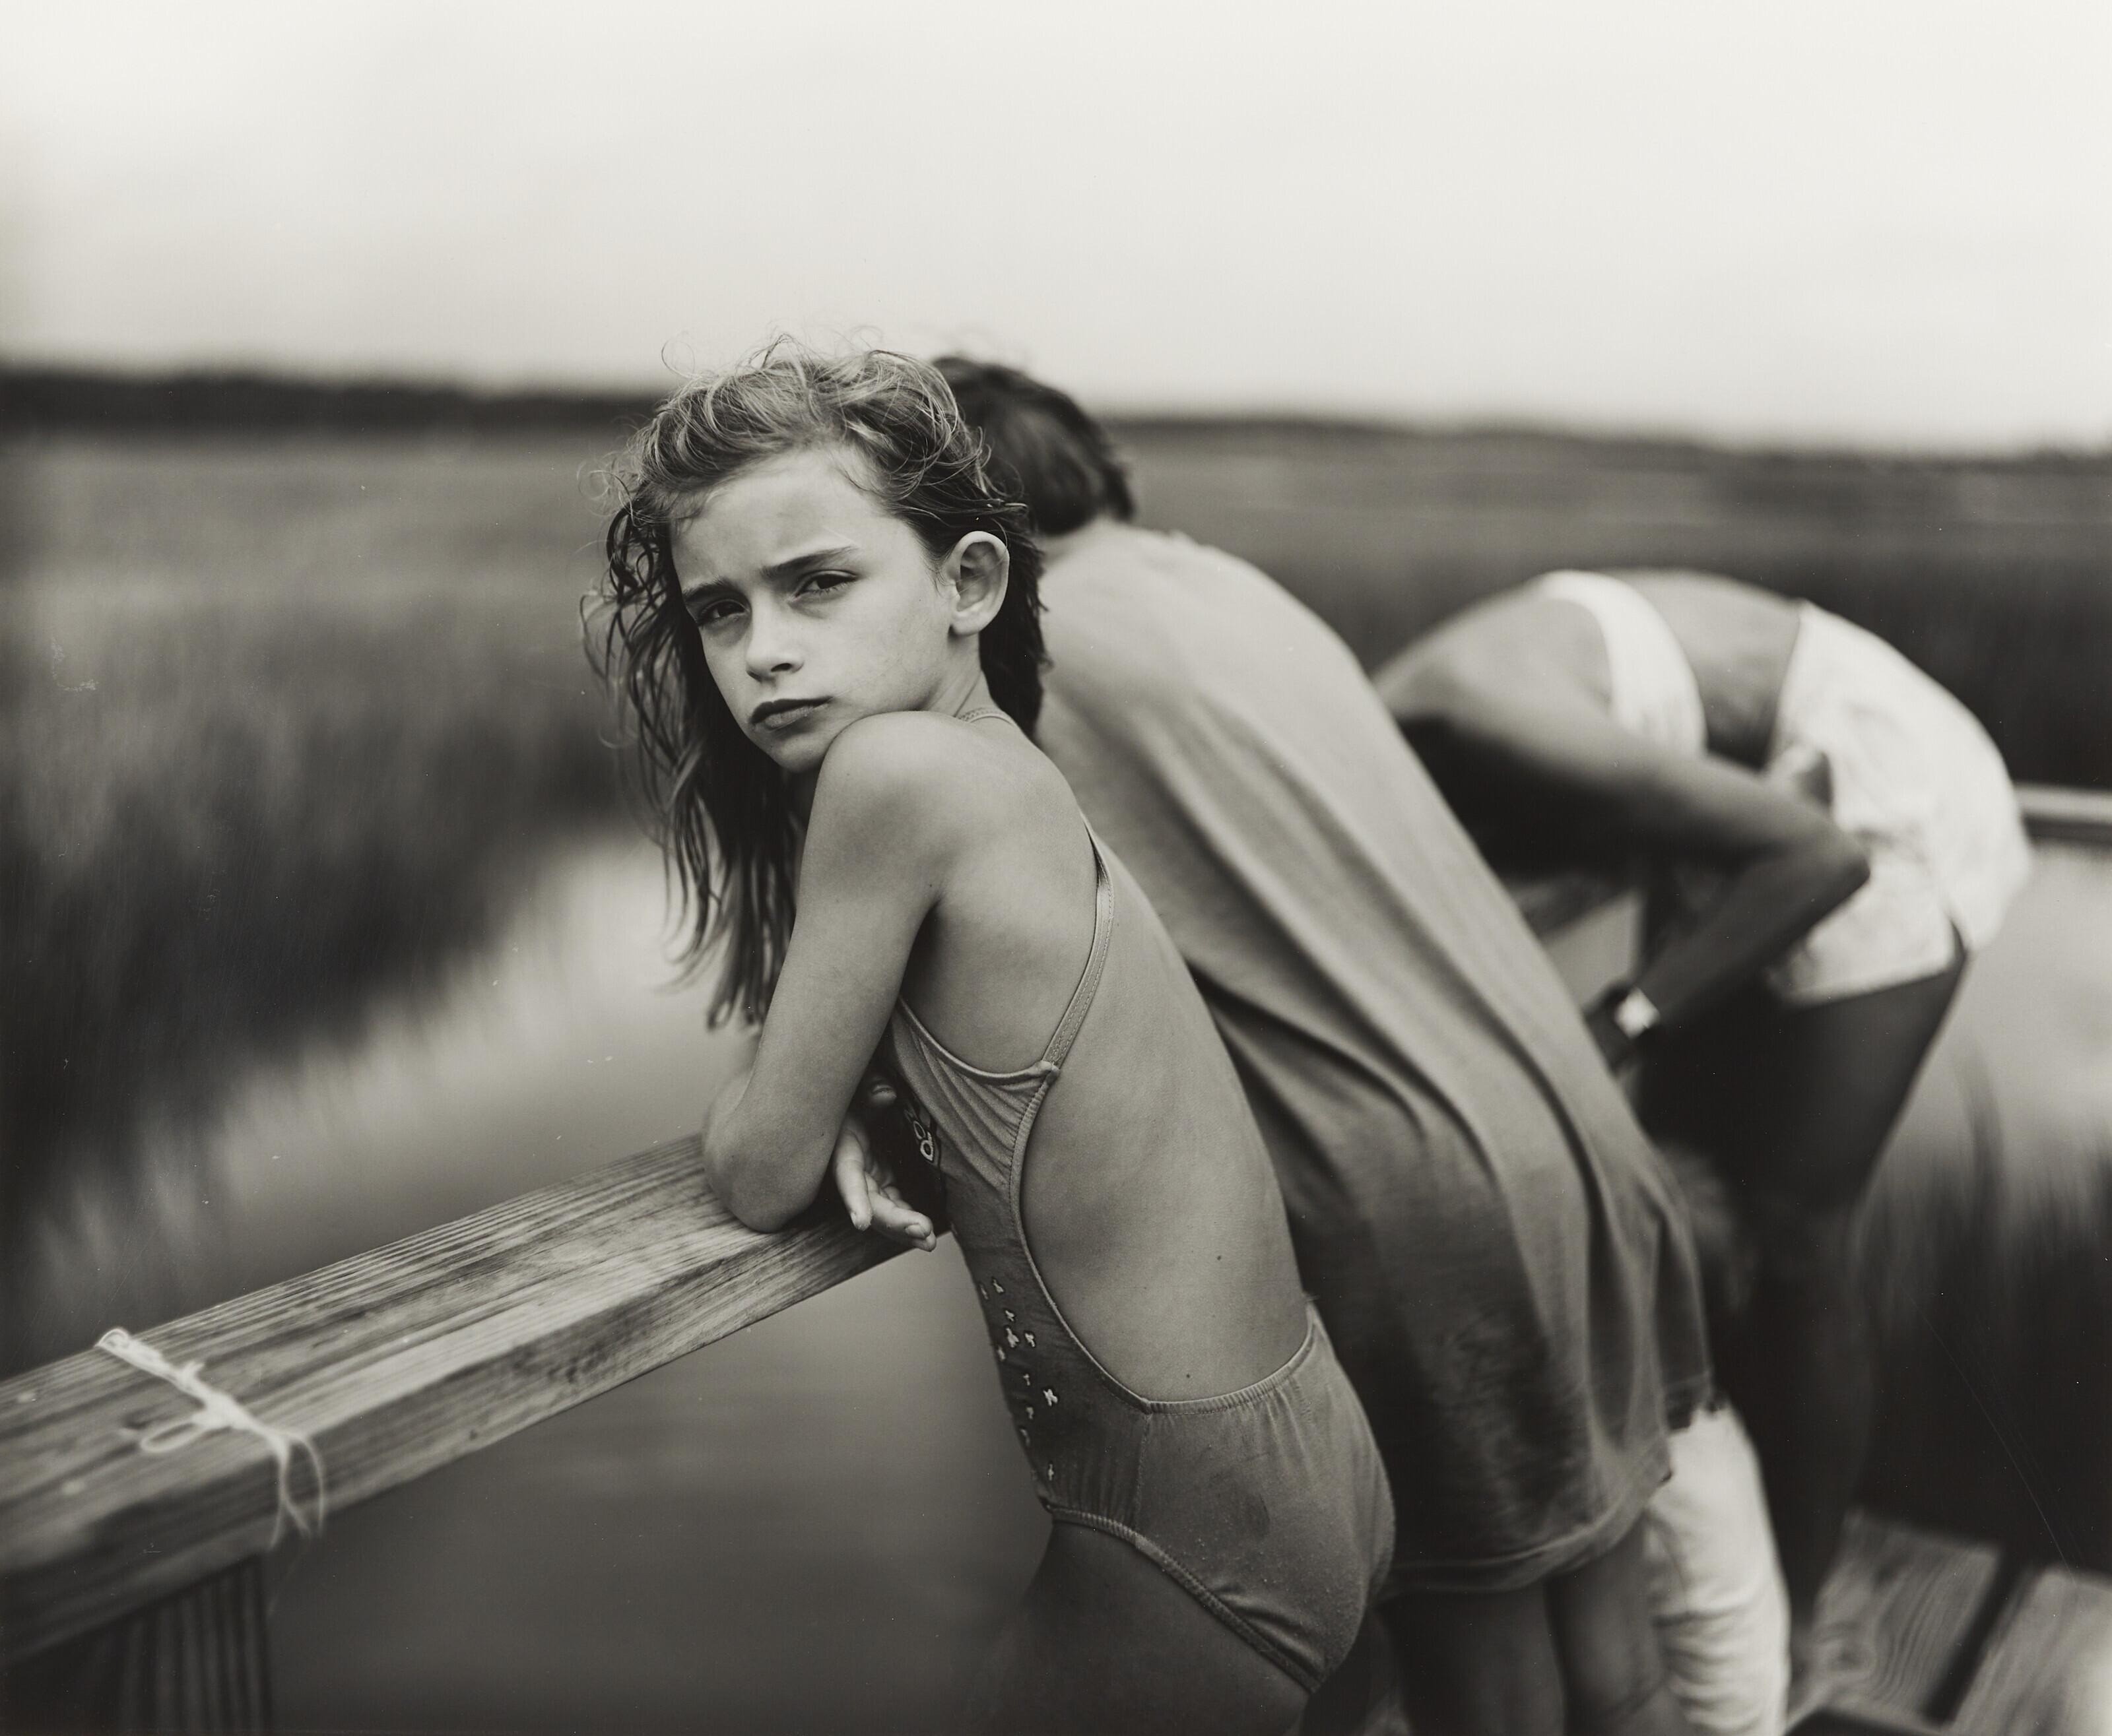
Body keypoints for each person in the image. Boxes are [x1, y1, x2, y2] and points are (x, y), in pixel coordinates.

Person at [830, 358, 1727, 1736]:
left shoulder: (1010, 660)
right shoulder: (1238, 590)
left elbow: (939, 929)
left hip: (1408, 1191)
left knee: (1489, 1691)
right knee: (1620, 1667)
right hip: (1575, 1136)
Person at [589, 344, 1393, 1736]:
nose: (763, 646)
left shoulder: (894, 777)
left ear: (968, 582)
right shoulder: (1011, 772)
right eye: (719, 611)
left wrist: (793, 1097)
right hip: (1296, 1447)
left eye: (819, 582)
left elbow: (760, 1169)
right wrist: (851, 1074)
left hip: (1185, 1526)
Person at [1375, 569, 2031, 1647]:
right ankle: (1705, 1576)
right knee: (1671, 1200)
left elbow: (1817, 859)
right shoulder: (1389, 737)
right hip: (1743, 806)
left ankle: (1810, 1625)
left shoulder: (1472, 715)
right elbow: (1550, 879)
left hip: (1872, 789)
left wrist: (1620, 1022)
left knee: (1792, 1239)